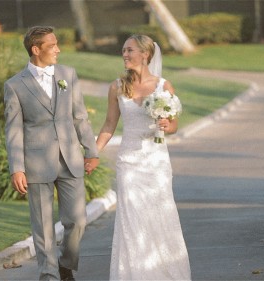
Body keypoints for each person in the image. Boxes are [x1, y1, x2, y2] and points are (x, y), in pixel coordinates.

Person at [4, 26, 99, 281]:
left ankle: (66, 262)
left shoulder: (68, 74)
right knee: (43, 226)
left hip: (70, 160)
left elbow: (80, 116)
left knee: (77, 220)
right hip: (36, 163)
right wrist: (17, 168)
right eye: (52, 45)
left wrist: (91, 150)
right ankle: (49, 274)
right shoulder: (14, 85)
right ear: (36, 50)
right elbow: (13, 129)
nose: (58, 49)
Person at [96, 34, 191, 280]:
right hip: (129, 162)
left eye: (130, 50)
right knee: (132, 219)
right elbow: (109, 124)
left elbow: (174, 126)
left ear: (145, 54)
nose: (125, 55)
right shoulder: (117, 87)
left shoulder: (164, 87)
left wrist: (167, 125)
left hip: (156, 161)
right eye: (124, 51)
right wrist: (93, 153)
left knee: (160, 215)